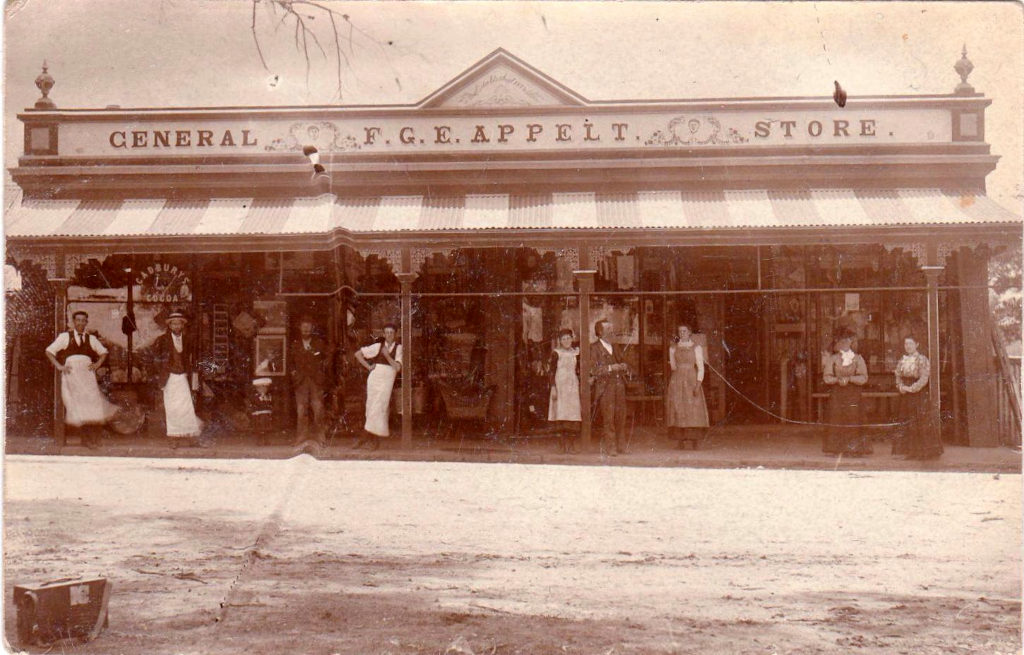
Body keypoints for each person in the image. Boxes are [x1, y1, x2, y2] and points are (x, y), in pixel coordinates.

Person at [44, 310, 118, 448]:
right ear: (74, 321)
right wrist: (59, 366)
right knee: (79, 405)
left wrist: (97, 364)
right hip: (72, 376)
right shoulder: (65, 337)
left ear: (86, 322)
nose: (80, 323)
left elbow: (104, 352)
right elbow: (49, 351)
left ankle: (94, 439)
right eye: (78, 320)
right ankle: (86, 440)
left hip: (87, 376)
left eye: (83, 320)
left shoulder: (91, 338)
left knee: (92, 405)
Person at [152, 310, 203, 448]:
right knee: (172, 408)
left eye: (179, 323)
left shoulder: (188, 340)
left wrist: (191, 374)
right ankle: (173, 438)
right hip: (169, 378)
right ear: (169, 325)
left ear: (182, 325)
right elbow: (155, 359)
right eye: (173, 324)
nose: (176, 326)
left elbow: (192, 358)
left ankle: (191, 436)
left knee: (187, 407)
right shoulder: (162, 340)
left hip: (183, 377)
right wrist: (160, 373)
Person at [892, 335, 942, 460]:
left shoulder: (922, 359)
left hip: (918, 394)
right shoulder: (902, 360)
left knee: (920, 421)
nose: (908, 346)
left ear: (917, 344)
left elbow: (924, 378)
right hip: (905, 394)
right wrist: (900, 386)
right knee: (908, 422)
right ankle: (910, 452)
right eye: (906, 344)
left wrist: (911, 388)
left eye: (910, 343)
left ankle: (923, 452)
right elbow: (898, 375)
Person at [353, 323, 402, 450]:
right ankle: (372, 441)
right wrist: (369, 367)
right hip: (375, 378)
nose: (389, 335)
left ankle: (365, 437)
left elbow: (397, 367)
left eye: (391, 332)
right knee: (371, 408)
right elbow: (358, 354)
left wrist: (387, 355)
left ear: (395, 334)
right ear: (383, 334)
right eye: (387, 332)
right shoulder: (378, 346)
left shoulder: (399, 348)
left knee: (379, 408)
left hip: (387, 380)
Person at [822, 328, 870, 456]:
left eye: (847, 341)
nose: (844, 343)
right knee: (837, 419)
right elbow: (827, 377)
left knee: (853, 419)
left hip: (853, 394)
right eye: (841, 341)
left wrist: (850, 379)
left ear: (851, 342)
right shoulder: (833, 359)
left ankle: (853, 449)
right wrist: (837, 380)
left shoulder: (858, 359)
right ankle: (836, 449)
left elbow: (864, 377)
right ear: (838, 343)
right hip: (837, 393)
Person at [666, 323, 709, 449]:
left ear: (689, 332)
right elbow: (673, 366)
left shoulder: (696, 347)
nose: (682, 333)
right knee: (678, 408)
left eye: (684, 331)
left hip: (691, 379)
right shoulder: (673, 348)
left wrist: (698, 383)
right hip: (677, 379)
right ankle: (681, 441)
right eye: (680, 331)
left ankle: (695, 441)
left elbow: (700, 367)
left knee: (693, 409)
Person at [590, 319, 629, 456]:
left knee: (621, 416)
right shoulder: (593, 348)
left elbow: (623, 361)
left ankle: (621, 446)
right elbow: (593, 370)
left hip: (619, 385)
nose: (612, 332)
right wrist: (611, 368)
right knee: (608, 417)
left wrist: (624, 366)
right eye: (608, 330)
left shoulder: (615, 346)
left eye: (612, 329)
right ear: (600, 332)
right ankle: (611, 447)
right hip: (605, 387)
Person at [290, 316, 328, 445]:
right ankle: (301, 437)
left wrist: (321, 373)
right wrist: (294, 373)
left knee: (318, 409)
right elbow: (290, 361)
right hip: (301, 381)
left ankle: (320, 437)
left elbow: (326, 359)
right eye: (303, 327)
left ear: (312, 328)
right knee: (301, 410)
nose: (306, 329)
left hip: (316, 381)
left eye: (308, 327)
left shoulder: (319, 343)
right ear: (300, 328)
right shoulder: (295, 344)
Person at [548, 328, 581, 453]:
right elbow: (551, 371)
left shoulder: (576, 352)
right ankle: (561, 446)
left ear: (572, 339)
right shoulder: (556, 353)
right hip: (560, 386)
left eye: (568, 338)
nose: (566, 341)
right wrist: (553, 387)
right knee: (560, 414)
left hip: (572, 386)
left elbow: (578, 369)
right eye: (563, 339)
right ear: (560, 341)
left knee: (573, 415)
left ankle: (571, 445)